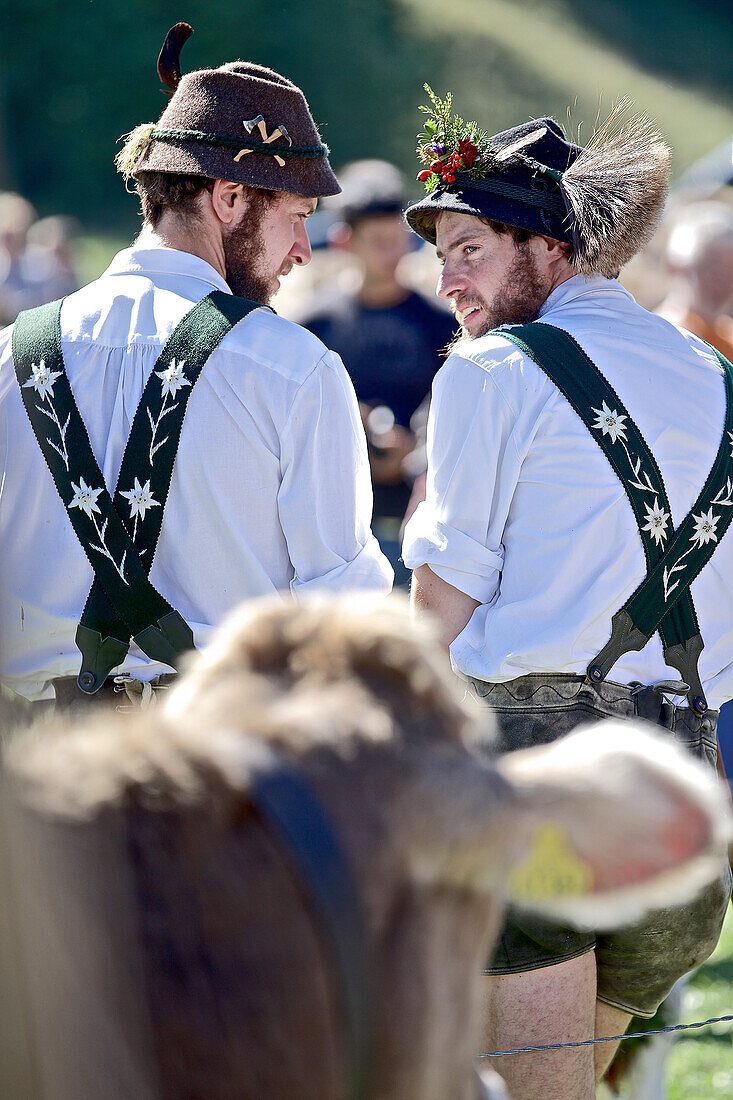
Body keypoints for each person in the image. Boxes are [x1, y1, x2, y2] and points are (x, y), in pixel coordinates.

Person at [401, 93, 733, 1100]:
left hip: (533, 778)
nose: (446, 277)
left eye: (468, 247)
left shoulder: (490, 370)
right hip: (682, 796)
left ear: (549, 246)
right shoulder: (717, 378)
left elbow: (442, 591)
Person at [0, 22, 391, 711]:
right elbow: (342, 616)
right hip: (217, 777)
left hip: (38, 781)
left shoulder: (10, 355)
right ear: (229, 197)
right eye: (296, 216)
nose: (304, 249)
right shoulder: (292, 367)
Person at [301, 160, 454, 584]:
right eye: (378, 242)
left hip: (419, 517)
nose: (392, 253)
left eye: (398, 240)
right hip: (332, 525)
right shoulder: (311, 327)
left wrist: (413, 453)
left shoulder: (445, 326)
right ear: (345, 241)